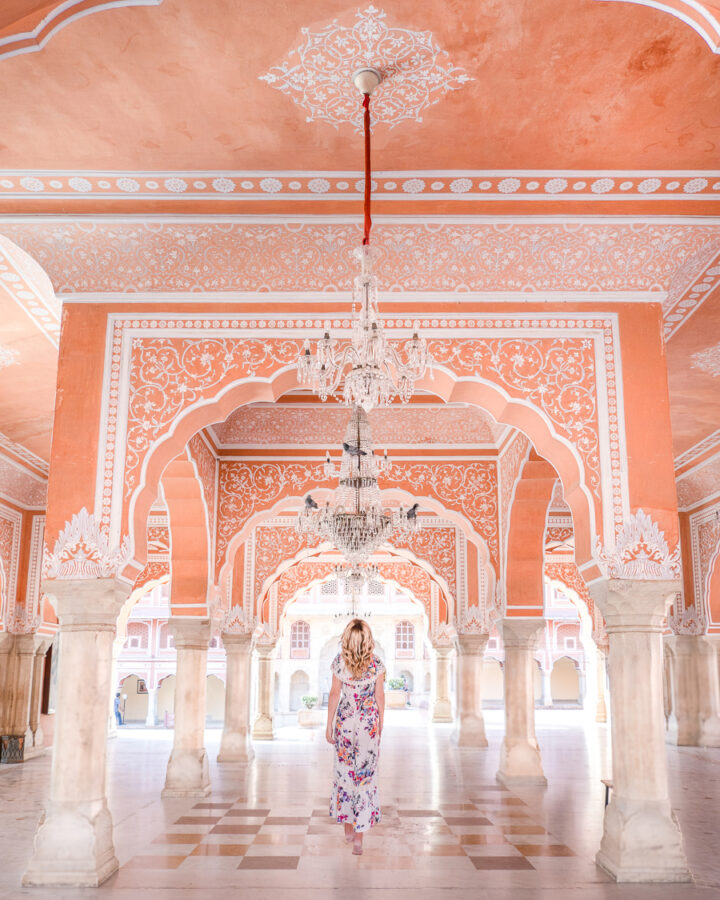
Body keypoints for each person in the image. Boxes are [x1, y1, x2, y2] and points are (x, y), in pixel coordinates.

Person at [326, 618, 385, 856]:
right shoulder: (377, 664)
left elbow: (334, 694)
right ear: (368, 639)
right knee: (364, 777)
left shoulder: (340, 662)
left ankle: (348, 830)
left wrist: (328, 725)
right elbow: (380, 697)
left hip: (346, 725)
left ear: (347, 639)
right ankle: (359, 839)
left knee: (345, 774)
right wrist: (381, 724)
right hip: (368, 725)